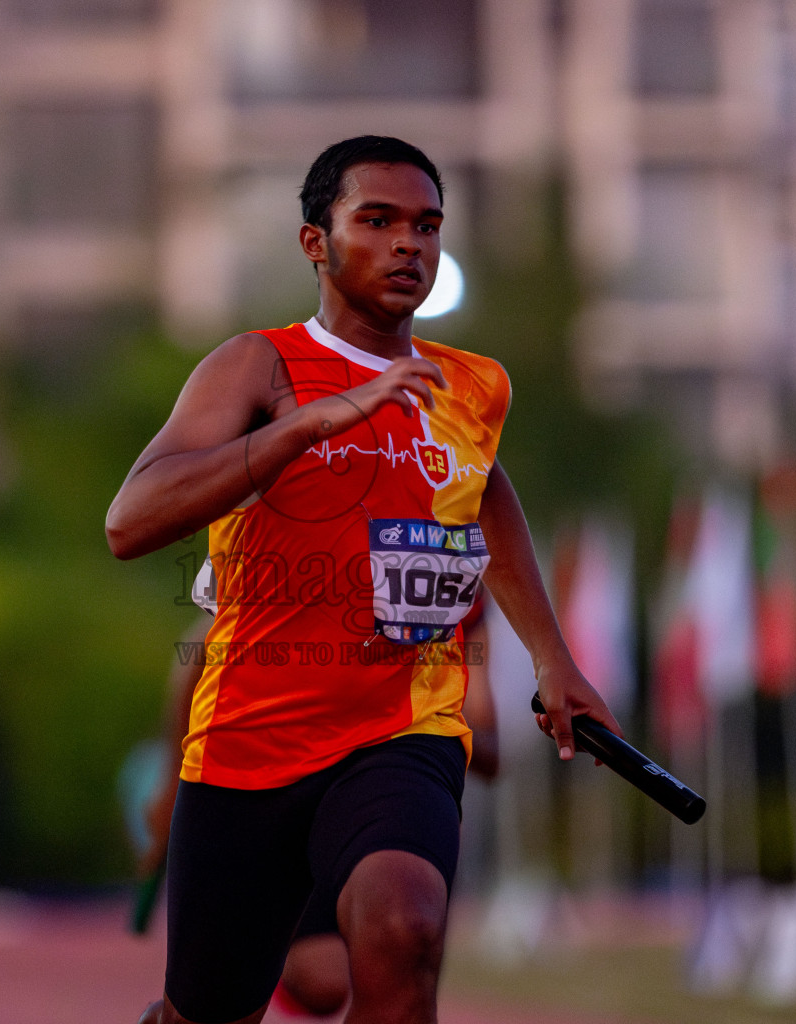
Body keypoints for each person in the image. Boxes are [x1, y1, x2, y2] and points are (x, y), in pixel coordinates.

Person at [107, 134, 619, 1024]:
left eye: (427, 225)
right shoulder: (256, 366)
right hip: (249, 744)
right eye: (377, 221)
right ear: (316, 241)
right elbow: (131, 521)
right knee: (207, 1011)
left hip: (400, 732)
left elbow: (486, 496)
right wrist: (308, 426)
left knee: (406, 927)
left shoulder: (472, 388)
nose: (408, 245)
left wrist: (552, 658)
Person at [139, 594, 499, 1017]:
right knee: (320, 985)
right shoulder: (300, 544)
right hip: (275, 766)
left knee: (404, 944)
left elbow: (490, 748)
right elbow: (200, 655)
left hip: (385, 779)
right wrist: (170, 787)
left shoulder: (460, 581)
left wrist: (425, 702)